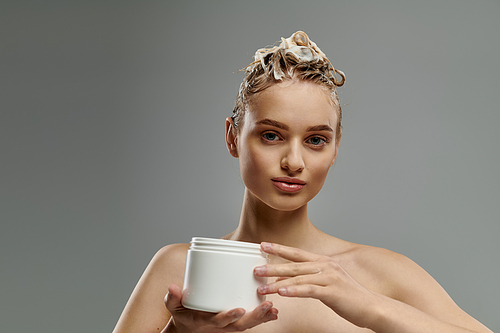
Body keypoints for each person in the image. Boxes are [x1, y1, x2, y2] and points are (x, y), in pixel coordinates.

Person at [113, 31, 492, 333]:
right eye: (271, 135)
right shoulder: (180, 268)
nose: (294, 162)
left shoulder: (379, 274)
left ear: (335, 148)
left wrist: (370, 308)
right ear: (232, 138)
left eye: (315, 141)